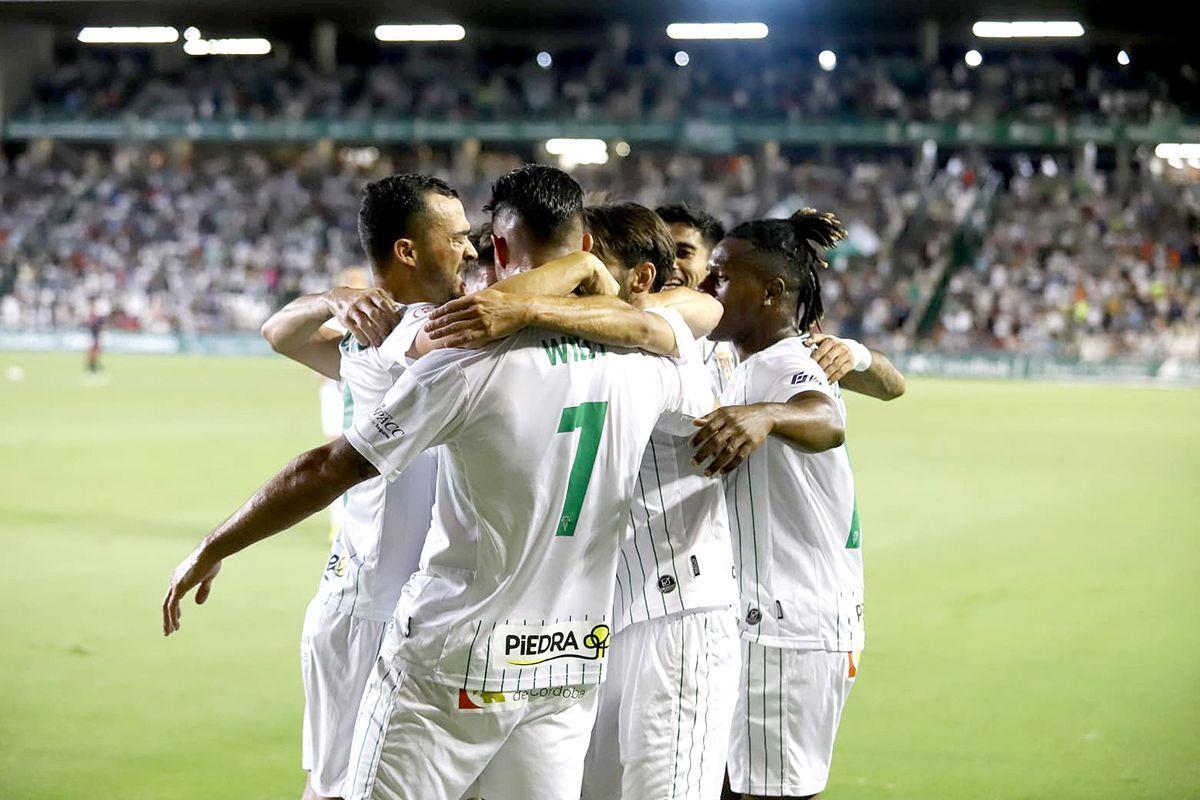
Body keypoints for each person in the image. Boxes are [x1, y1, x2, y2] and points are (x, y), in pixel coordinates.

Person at [161, 164, 697, 800]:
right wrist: (589, 280)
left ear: (501, 250)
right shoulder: (657, 359)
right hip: (568, 657)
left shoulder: (465, 353)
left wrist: (216, 543)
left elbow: (330, 466)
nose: (469, 250)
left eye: (477, 238)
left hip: (458, 649)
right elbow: (680, 326)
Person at [427, 202, 741, 799]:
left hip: (675, 613)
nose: (576, 277)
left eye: (589, 266)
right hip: (594, 622)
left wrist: (524, 303)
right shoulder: (583, 342)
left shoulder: (668, 341)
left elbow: (677, 316)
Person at [262, 173, 481, 800]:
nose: (471, 251)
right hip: (368, 606)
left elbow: (280, 334)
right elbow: (278, 332)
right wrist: (335, 297)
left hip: (419, 604)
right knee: (335, 790)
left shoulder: (374, 336)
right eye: (459, 238)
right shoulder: (397, 331)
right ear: (408, 251)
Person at [693, 209, 903, 800]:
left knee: (769, 792)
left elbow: (824, 418)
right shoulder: (754, 364)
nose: (710, 288)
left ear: (771, 292)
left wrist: (767, 415)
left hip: (788, 627)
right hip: (779, 622)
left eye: (723, 276)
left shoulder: (786, 366)